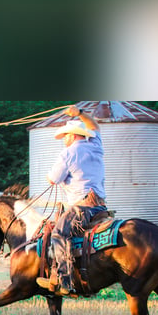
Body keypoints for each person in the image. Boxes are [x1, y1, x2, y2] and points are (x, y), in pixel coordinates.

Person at [36, 105, 107, 296]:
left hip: (81, 207)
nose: (64, 140)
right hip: (100, 206)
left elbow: (53, 178)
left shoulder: (67, 154)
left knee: (59, 233)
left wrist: (48, 176)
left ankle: (64, 279)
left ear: (72, 135)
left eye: (65, 136)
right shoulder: (95, 144)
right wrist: (80, 114)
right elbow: (95, 126)